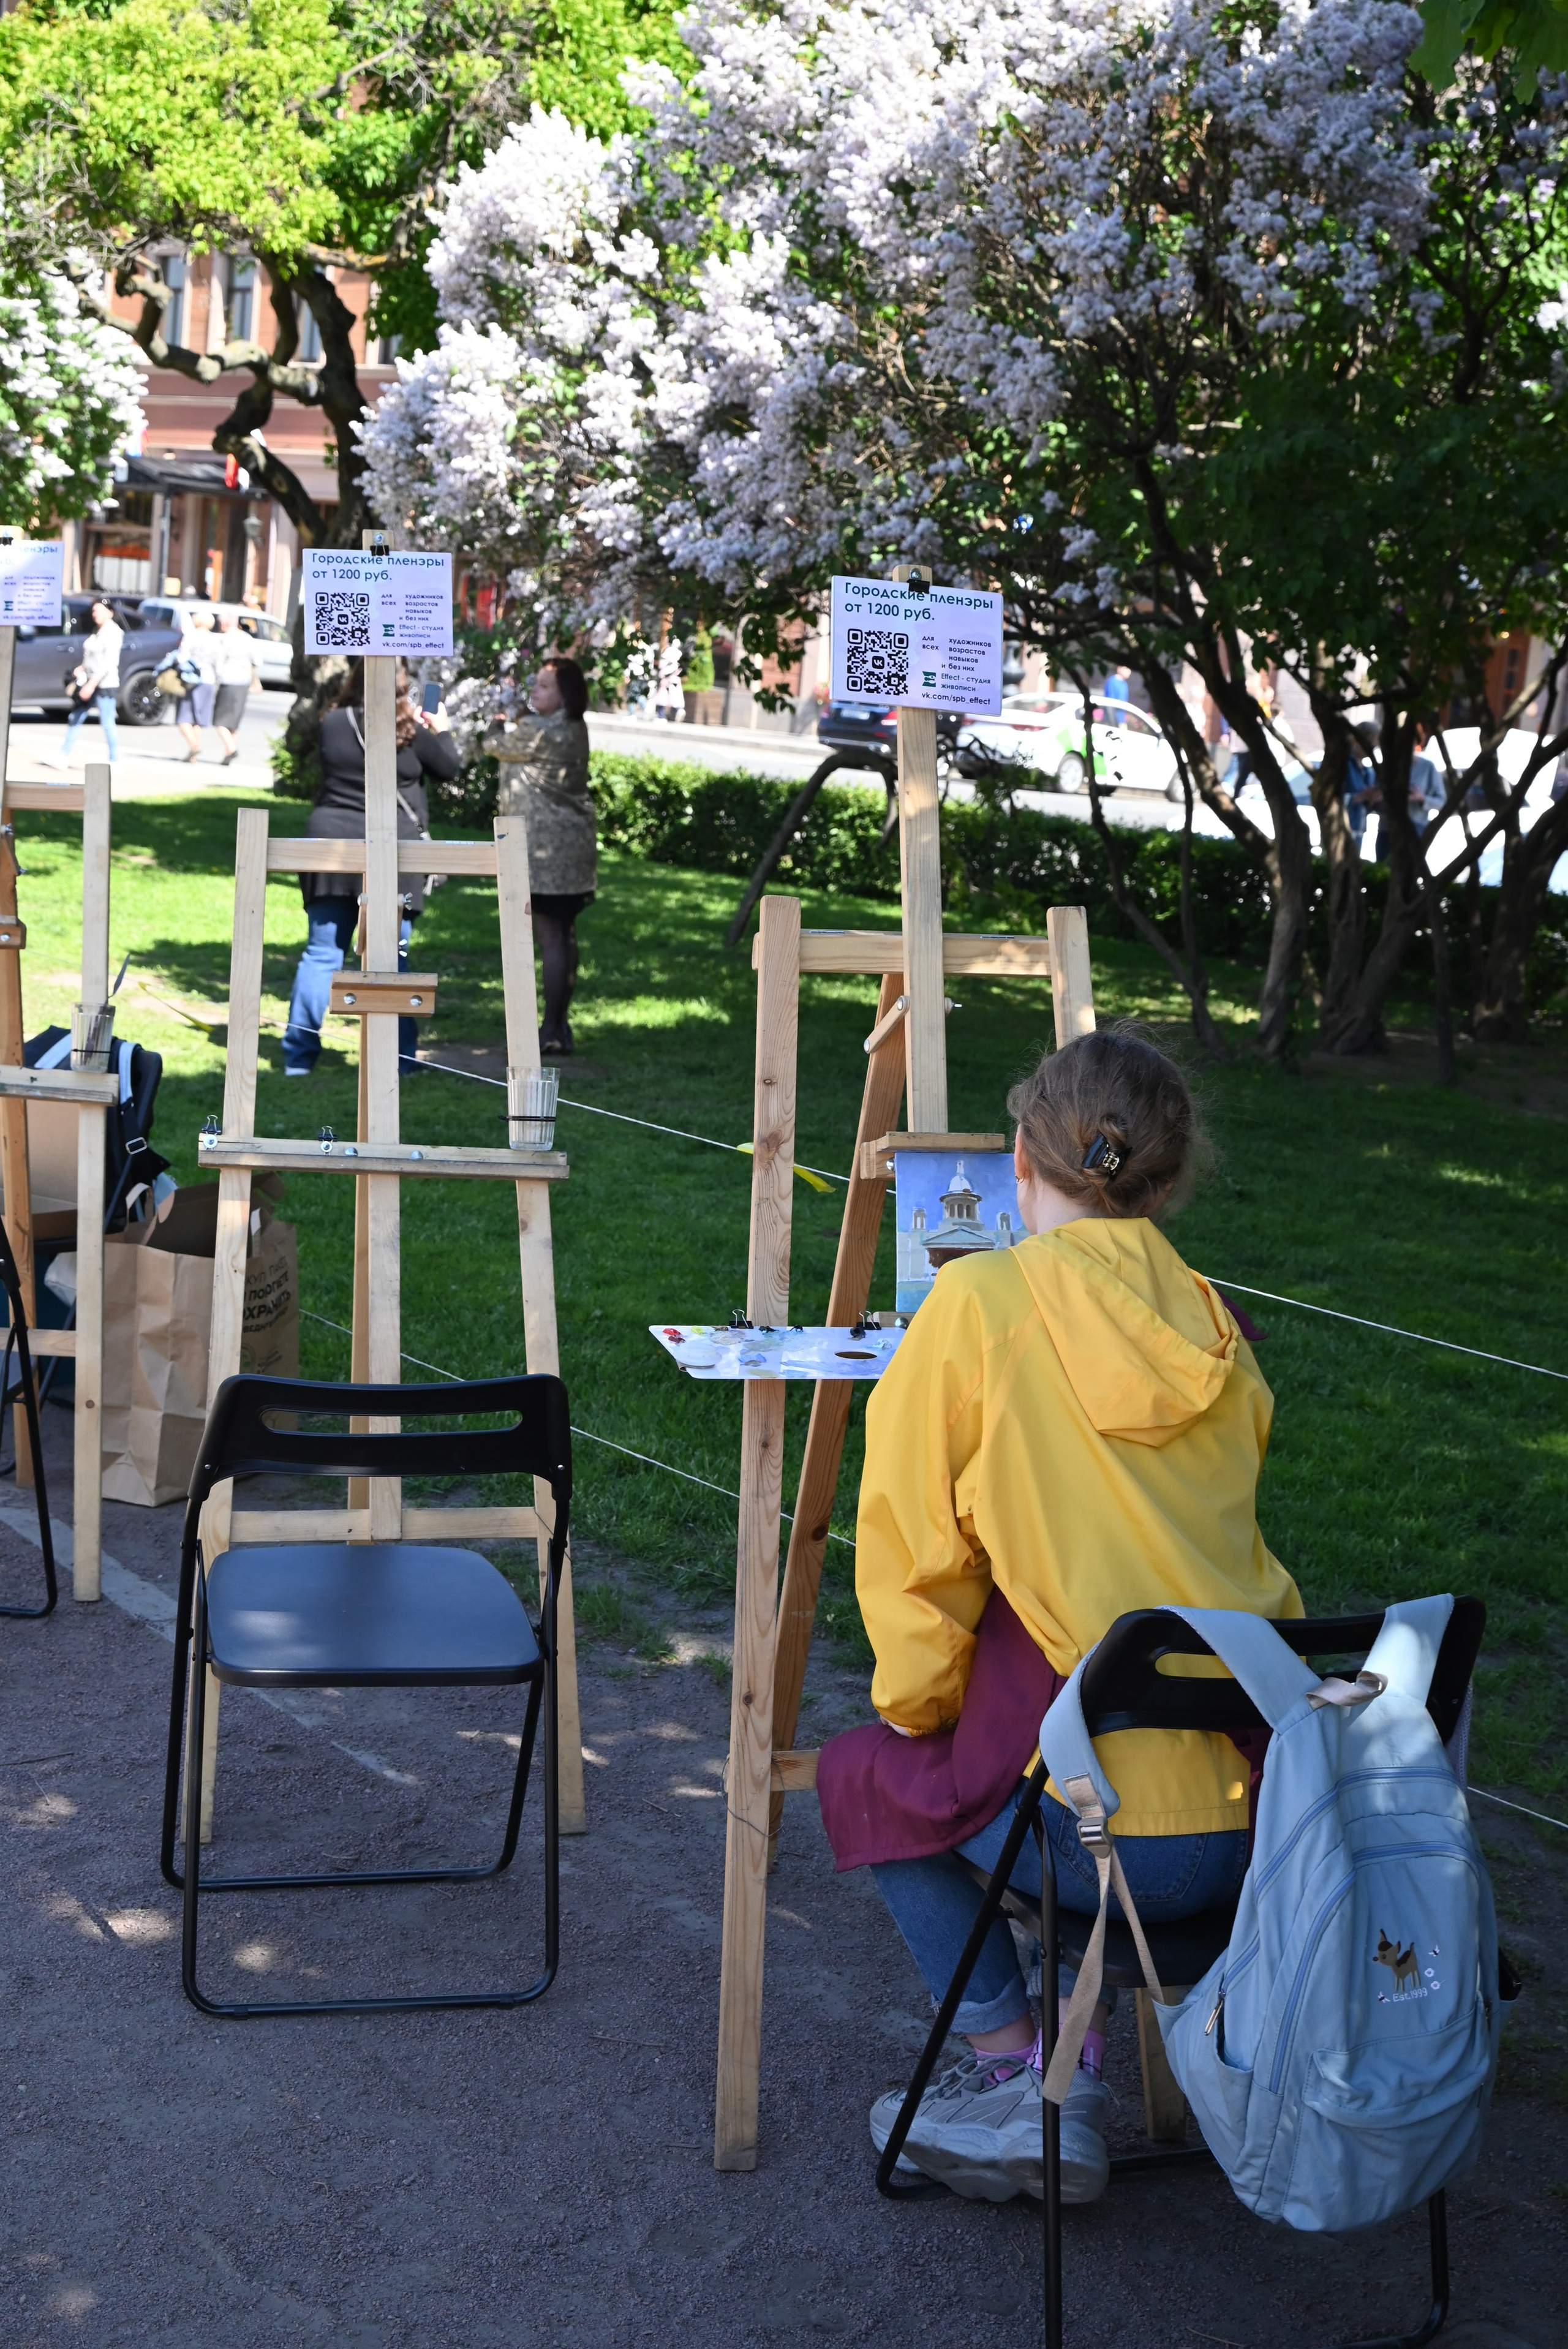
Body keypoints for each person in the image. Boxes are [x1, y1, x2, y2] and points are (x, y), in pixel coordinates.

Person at [815, 1027, 1302, 2206]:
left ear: (1020, 1168)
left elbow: (910, 1552)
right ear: (1167, 1181)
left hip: (1087, 1829)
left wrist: (921, 1710)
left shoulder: (980, 1301)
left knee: (873, 1774)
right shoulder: (1216, 1324)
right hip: (1254, 1814)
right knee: (1033, 1756)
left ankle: (1013, 2073)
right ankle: (1069, 2061)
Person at [282, 660, 459, 1077]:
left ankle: (298, 1055)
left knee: (322, 951)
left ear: (356, 678)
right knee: (391, 957)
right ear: (402, 685)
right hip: (392, 850)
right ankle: (398, 1058)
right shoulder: (410, 730)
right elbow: (450, 767)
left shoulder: (333, 722)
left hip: (330, 842)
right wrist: (442, 727)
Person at [494, 656, 596, 1057]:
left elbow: (495, 746)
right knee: (566, 935)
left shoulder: (537, 730)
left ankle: (550, 1030)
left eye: (543, 687)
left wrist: (496, 720)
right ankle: (560, 1025)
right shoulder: (574, 727)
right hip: (574, 847)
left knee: (550, 937)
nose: (534, 692)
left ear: (565, 695)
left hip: (544, 852)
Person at [42, 599, 122, 770]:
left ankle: (115, 761)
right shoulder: (97, 631)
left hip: (105, 684)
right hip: (89, 681)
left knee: (107, 722)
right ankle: (63, 756)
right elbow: (92, 657)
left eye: (99, 611)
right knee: (75, 718)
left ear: (110, 613)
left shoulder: (113, 633)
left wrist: (92, 685)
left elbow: (108, 663)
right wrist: (82, 668)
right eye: (94, 611)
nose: (96, 614)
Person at [211, 613, 260, 767]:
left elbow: (218, 663)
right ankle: (228, 754)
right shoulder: (247, 638)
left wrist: (215, 680)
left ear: (224, 624)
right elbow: (258, 660)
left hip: (228, 681)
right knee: (233, 721)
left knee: (219, 721)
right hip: (243, 682)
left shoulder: (224, 639)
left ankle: (232, 749)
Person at [174, 609, 217, 762]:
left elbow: (182, 657)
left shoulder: (191, 636)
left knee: (183, 719)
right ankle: (193, 755)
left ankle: (194, 747)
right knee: (197, 720)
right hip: (209, 680)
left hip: (191, 680)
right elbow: (217, 662)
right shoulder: (214, 640)